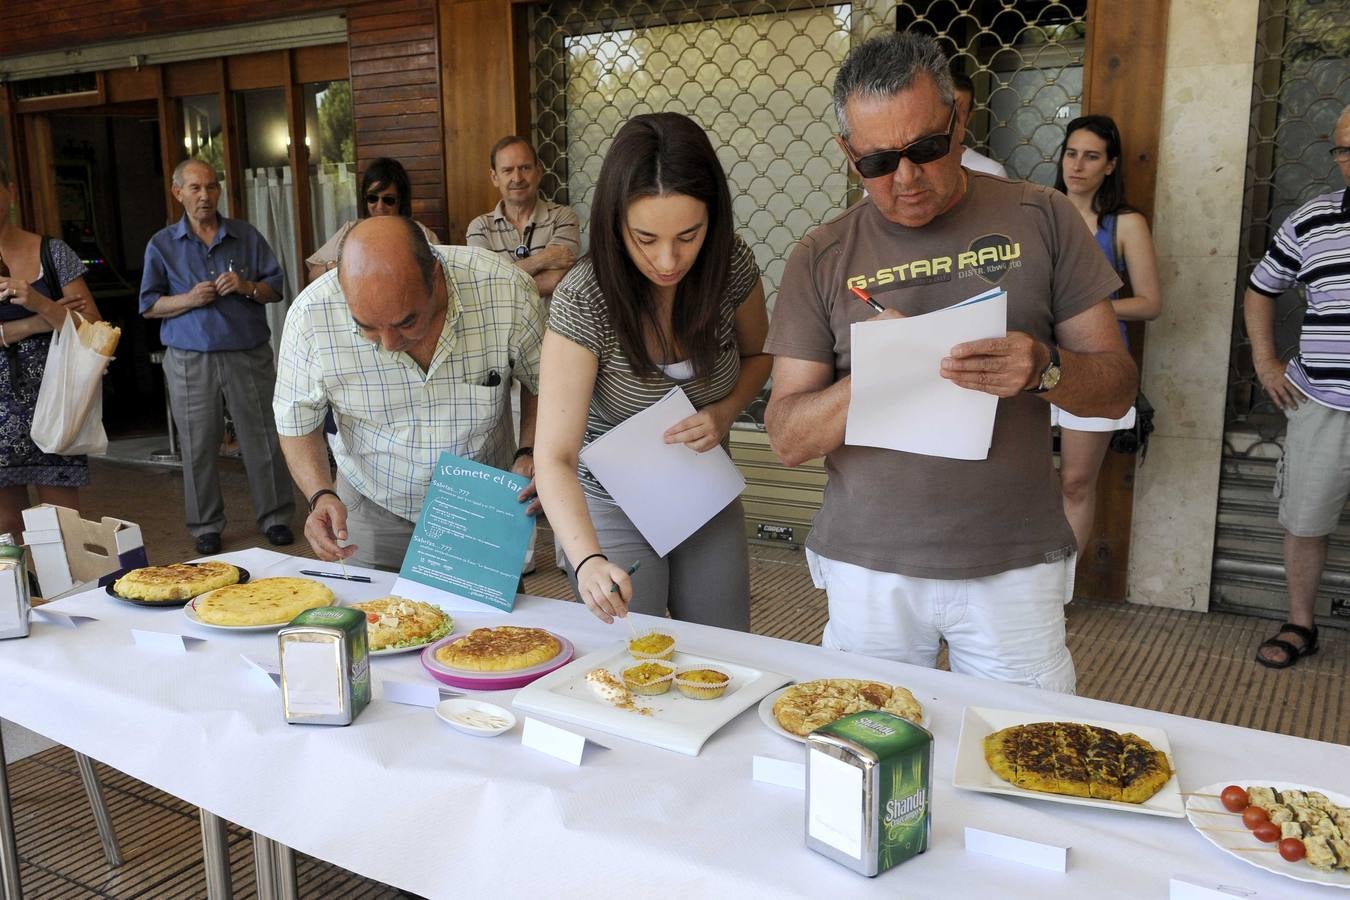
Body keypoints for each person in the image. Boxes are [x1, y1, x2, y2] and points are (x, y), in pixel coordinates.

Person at [763, 33, 1136, 692]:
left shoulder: (1042, 217)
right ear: (848, 155)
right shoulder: (820, 255)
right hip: (868, 564)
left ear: (960, 122)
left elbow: (1114, 390)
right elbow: (788, 437)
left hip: (1011, 560)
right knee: (866, 758)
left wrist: (1046, 368)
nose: (905, 179)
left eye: (927, 150)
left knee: (1025, 761)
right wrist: (877, 374)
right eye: (877, 162)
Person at [534, 112, 770, 629]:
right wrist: (587, 559)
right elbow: (554, 455)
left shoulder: (730, 265)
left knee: (723, 650)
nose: (668, 260)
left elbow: (760, 356)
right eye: (645, 238)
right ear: (615, 224)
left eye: (689, 235)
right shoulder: (584, 298)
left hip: (702, 489)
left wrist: (726, 411)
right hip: (610, 502)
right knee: (630, 657)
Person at [275, 216, 544, 571]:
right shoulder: (311, 316)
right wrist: (320, 493)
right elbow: (296, 421)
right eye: (367, 327)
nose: (389, 344)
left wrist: (531, 451)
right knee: (375, 621)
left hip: (479, 502)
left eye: (406, 322)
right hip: (373, 503)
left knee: (490, 627)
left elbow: (544, 382)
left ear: (435, 276)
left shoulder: (505, 290)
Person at [140, 158, 295, 555]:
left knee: (262, 438)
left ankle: (276, 517)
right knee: (197, 444)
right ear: (178, 193)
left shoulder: (245, 235)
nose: (204, 195)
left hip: (247, 352)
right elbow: (149, 306)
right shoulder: (161, 244)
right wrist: (189, 299)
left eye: (211, 187)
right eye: (195, 188)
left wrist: (246, 286)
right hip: (191, 358)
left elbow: (276, 289)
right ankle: (206, 525)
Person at [1244, 104, 1350, 669]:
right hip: (1322, 403)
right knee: (1305, 520)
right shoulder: (1310, 221)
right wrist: (1265, 360)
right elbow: (1262, 288)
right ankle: (1301, 625)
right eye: (1343, 148)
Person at [1051, 115, 1162, 551]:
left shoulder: (1125, 223)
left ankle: (1062, 592)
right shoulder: (1040, 210)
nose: (1077, 165)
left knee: (1076, 482)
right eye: (1071, 153)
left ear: (1110, 166)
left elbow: (1151, 303)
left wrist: (1079, 312)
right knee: (1023, 479)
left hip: (1095, 364)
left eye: (1092, 156)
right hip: (1035, 359)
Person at [0, 160, 103, 539]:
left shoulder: (52, 252)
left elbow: (94, 329)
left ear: (10, 190)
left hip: (57, 398)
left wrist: (38, 301)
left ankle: (64, 598)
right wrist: (39, 322)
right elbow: (69, 319)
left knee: (61, 526)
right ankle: (14, 600)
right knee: (4, 529)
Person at [465, 136, 581, 299]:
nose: (517, 178)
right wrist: (543, 259)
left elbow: (555, 280)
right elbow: (484, 286)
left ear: (539, 171)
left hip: (551, 324)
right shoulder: (479, 228)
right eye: (507, 170)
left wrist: (501, 284)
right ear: (494, 177)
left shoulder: (563, 217)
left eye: (525, 168)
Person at [306, 157, 438, 283]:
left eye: (388, 200)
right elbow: (313, 274)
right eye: (373, 198)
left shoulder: (421, 233)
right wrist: (333, 267)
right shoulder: (351, 230)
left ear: (401, 200)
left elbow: (440, 275)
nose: (380, 206)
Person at [951, 71, 1008, 178]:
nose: (952, 119)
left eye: (959, 112)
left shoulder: (991, 172)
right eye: (946, 109)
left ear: (969, 117)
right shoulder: (915, 165)